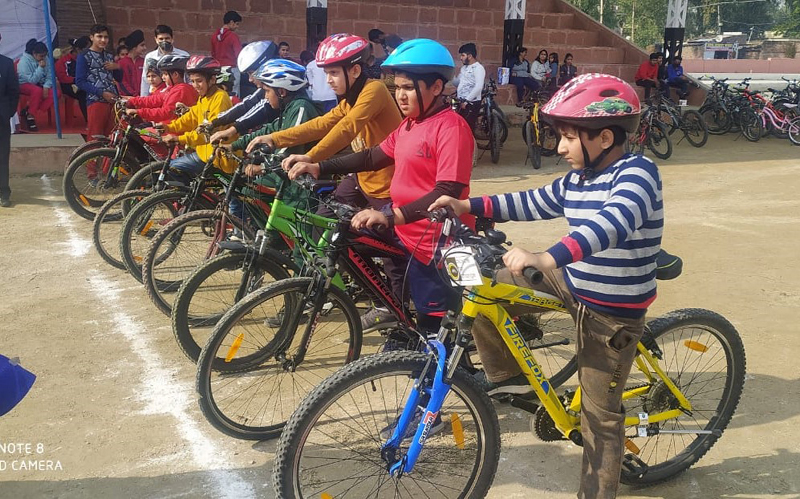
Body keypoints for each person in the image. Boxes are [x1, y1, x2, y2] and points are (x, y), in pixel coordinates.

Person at [431, 73, 661, 499]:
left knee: (600, 417)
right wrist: (467, 204)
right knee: (482, 285)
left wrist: (546, 256)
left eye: (568, 138)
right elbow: (532, 200)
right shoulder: (578, 179)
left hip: (612, 308)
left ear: (605, 137)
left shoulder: (638, 174)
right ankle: (509, 377)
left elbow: (610, 225)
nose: (559, 148)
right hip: (573, 281)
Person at [285, 38, 474, 340]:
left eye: (408, 88)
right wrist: (319, 166)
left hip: (434, 242)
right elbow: (373, 156)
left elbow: (448, 190)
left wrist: (390, 215)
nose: (400, 95)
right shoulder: (410, 125)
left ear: (436, 87)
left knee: (437, 335)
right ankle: (392, 309)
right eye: (397, 88)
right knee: (344, 236)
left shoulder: (451, 127)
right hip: (407, 232)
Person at [245, 33, 403, 330]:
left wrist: (312, 161)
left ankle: (391, 306)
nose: (328, 79)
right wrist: (272, 137)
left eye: (333, 72)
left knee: (389, 252)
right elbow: (323, 123)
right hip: (361, 178)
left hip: (388, 184)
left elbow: (346, 129)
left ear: (354, 70)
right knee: (323, 223)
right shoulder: (349, 98)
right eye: (326, 72)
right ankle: (363, 288)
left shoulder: (375, 90)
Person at [230, 59, 320, 220]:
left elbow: (292, 145)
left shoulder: (302, 108)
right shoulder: (288, 108)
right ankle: (264, 233)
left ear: (282, 92)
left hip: (300, 181)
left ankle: (277, 238)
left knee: (296, 227)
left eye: (267, 91)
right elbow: (269, 130)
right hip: (283, 172)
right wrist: (235, 144)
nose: (265, 96)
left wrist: (262, 167)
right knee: (247, 192)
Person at [161, 55, 234, 177]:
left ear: (212, 80)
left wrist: (179, 139)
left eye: (199, 81)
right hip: (204, 153)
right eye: (192, 81)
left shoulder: (220, 98)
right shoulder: (204, 97)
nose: (195, 85)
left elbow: (208, 133)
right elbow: (191, 117)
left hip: (218, 157)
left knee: (173, 167)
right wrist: (168, 127)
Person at [206, 40, 280, 144]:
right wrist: (214, 122)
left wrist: (231, 130)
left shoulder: (277, 91)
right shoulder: (263, 90)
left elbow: (261, 109)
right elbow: (247, 104)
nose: (250, 79)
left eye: (251, 73)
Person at [76, 24, 121, 142]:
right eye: (99, 36)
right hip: (95, 100)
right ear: (92, 37)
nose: (103, 40)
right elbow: (80, 81)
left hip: (112, 101)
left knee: (112, 138)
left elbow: (119, 78)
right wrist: (101, 93)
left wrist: (117, 67)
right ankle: (91, 161)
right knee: (95, 137)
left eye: (106, 37)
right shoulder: (84, 56)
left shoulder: (109, 55)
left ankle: (109, 161)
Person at [124, 54, 197, 124]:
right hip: (167, 127)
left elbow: (165, 113)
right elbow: (154, 100)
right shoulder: (173, 88)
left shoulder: (181, 90)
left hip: (173, 131)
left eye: (165, 74)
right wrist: (132, 100)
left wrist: (139, 112)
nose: (163, 77)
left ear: (175, 75)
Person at [17, 39, 59, 132]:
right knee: (37, 91)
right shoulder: (24, 62)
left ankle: (30, 110)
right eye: (41, 56)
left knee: (56, 93)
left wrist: (46, 86)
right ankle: (31, 115)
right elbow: (31, 80)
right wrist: (40, 68)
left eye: (44, 55)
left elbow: (50, 74)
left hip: (41, 84)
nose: (43, 58)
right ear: (34, 53)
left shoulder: (46, 59)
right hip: (24, 84)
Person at [140, 25, 189, 97]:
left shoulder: (183, 56)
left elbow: (188, 78)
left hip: (177, 94)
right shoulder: (150, 57)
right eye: (161, 39)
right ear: (156, 40)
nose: (164, 41)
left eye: (167, 38)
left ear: (172, 39)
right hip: (155, 95)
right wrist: (143, 98)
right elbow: (145, 80)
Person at [0, 31, 19, 207]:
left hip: (1, 118)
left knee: (2, 156)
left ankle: (4, 193)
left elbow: (14, 91)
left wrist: (8, 112)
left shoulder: (6, 63)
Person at [451, 42, 485, 130]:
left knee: (469, 129)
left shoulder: (478, 68)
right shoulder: (464, 68)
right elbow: (457, 84)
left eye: (463, 55)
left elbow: (478, 87)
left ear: (469, 56)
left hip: (471, 103)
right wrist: (451, 76)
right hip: (462, 102)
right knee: (461, 127)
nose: (461, 58)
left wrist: (466, 101)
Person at [55, 36, 90, 121]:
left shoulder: (89, 58)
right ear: (78, 49)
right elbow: (63, 78)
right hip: (69, 85)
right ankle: (89, 121)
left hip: (84, 83)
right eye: (87, 48)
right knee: (83, 94)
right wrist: (77, 80)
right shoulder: (64, 61)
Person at [211, 10, 243, 96]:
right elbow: (239, 55)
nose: (237, 27)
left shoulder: (214, 36)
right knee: (234, 94)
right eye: (237, 24)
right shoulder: (233, 36)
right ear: (231, 22)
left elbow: (213, 54)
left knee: (220, 93)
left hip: (218, 70)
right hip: (232, 69)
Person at [304, 49, 337, 113]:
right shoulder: (332, 63)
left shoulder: (311, 65)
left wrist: (312, 83)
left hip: (318, 96)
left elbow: (310, 80)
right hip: (330, 96)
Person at [118, 29, 146, 96]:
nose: (145, 48)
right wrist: (134, 96)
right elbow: (122, 82)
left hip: (143, 99)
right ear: (134, 47)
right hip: (128, 99)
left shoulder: (144, 61)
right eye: (142, 45)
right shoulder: (121, 63)